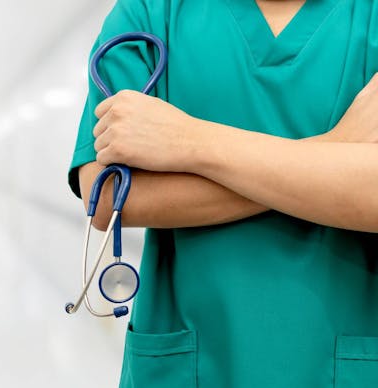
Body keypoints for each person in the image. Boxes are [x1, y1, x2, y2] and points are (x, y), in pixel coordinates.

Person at [68, 0, 378, 387]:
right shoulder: (150, 11)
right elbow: (107, 195)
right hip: (196, 363)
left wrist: (189, 141)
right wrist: (333, 153)